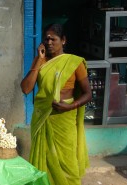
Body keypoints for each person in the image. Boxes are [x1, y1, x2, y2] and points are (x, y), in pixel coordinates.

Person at [20, 23, 92, 185]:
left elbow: (88, 94)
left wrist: (70, 106)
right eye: (46, 39)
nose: (49, 42)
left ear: (64, 40)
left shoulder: (74, 62)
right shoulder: (40, 61)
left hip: (64, 120)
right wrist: (39, 60)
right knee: (44, 162)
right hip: (42, 118)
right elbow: (26, 89)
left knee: (68, 164)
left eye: (54, 39)